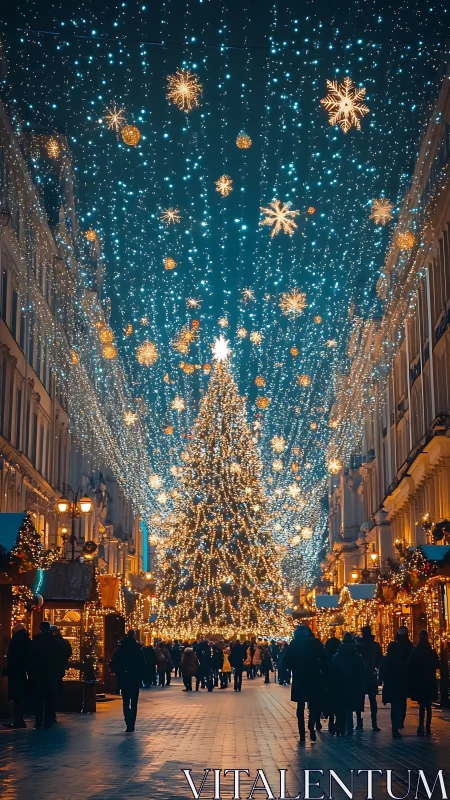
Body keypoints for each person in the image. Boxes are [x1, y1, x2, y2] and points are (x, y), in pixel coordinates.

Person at [284, 625, 326, 742]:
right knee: (314, 704)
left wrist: (293, 668)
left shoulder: (294, 644)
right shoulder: (315, 643)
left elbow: (286, 660)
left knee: (300, 706)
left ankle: (302, 733)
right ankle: (311, 725)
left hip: (299, 678)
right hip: (313, 677)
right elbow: (324, 658)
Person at [29, 621, 65, 730]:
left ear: (40, 629)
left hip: (38, 675)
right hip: (51, 675)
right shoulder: (55, 643)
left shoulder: (34, 642)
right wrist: (59, 673)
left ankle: (38, 720)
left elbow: (29, 658)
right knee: (50, 698)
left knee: (38, 698)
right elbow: (60, 659)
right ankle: (48, 720)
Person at [109, 630, 146, 732]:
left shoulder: (119, 649)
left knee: (125, 701)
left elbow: (112, 664)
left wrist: (119, 673)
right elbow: (143, 664)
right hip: (135, 678)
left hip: (124, 678)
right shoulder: (138, 649)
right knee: (134, 702)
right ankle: (132, 723)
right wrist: (141, 676)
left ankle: (127, 720)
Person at [330, 632, 366, 736]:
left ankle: (340, 727)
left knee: (340, 706)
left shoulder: (337, 655)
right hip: (352, 684)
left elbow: (333, 670)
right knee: (349, 706)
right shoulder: (356, 656)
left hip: (340, 684)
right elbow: (363, 669)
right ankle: (349, 727)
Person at [407, 629, 440, 736]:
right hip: (429, 681)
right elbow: (437, 665)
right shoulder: (431, 652)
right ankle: (428, 727)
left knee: (422, 705)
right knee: (428, 705)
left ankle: (420, 726)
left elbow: (409, 666)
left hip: (419, 681)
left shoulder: (415, 652)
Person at [5, 623, 32, 729]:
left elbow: (13, 657)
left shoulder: (16, 640)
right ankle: (19, 719)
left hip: (16, 673)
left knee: (17, 697)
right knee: (19, 697)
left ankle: (18, 720)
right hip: (21, 673)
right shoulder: (26, 640)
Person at [355, 625, 382, 731]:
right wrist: (376, 667)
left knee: (359, 699)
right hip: (370, 674)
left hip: (361, 675)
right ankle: (373, 722)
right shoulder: (374, 645)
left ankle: (359, 722)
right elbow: (380, 658)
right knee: (372, 699)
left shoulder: (358, 645)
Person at [379, 641, 408, 738]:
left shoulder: (385, 660)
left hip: (389, 687)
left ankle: (394, 727)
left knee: (394, 708)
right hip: (398, 688)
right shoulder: (399, 661)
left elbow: (381, 673)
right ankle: (396, 727)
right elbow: (404, 674)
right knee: (397, 707)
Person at [394, 625, 414, 726]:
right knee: (403, 699)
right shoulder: (409, 645)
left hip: (396, 676)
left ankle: (397, 719)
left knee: (397, 699)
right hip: (406, 675)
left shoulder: (395, 646)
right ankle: (401, 719)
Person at [323, 634, 340, 733]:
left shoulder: (326, 657)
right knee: (338, 703)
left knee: (330, 702)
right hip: (338, 682)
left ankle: (331, 721)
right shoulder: (338, 656)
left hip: (328, 683)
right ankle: (337, 723)